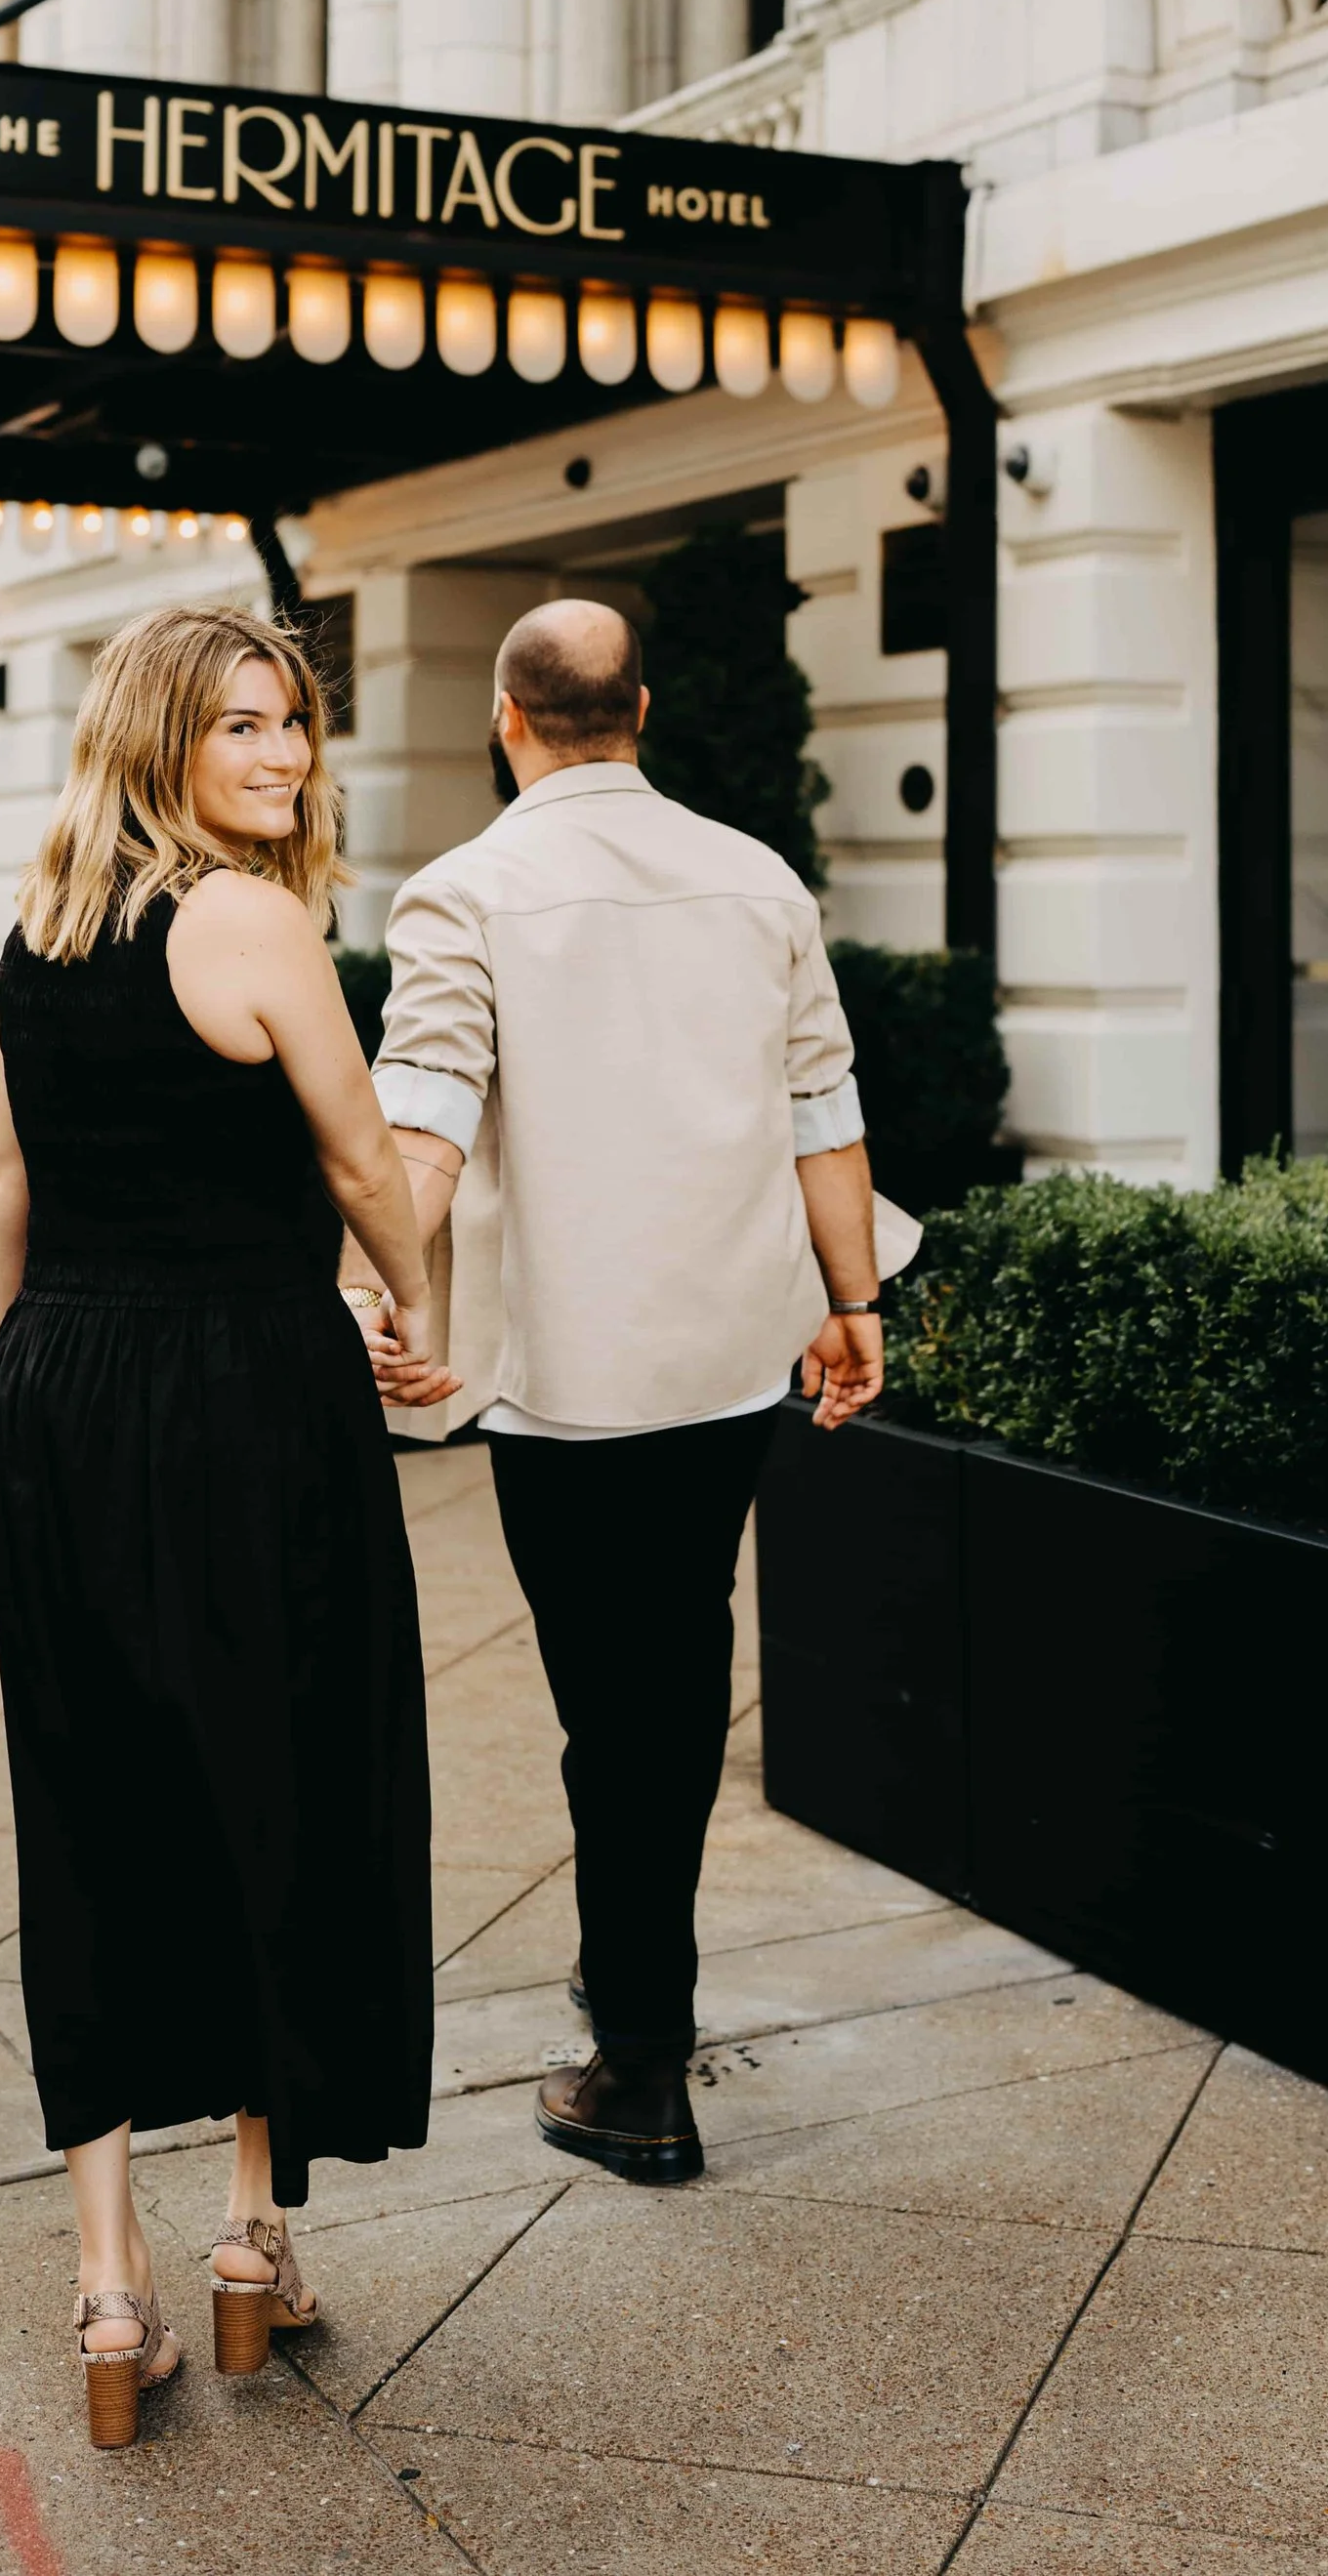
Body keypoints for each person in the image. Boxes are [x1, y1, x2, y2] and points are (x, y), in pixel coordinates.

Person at [0, 602, 454, 2449]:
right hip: (248, 1402)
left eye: (296, 724)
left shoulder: (37, 932)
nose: (283, 757)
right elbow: (355, 1155)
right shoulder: (250, 918)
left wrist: (1, 1403)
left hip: (58, 1396)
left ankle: (115, 2288)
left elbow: (13, 1187)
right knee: (277, 1781)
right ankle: (250, 2244)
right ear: (163, 734)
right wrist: (422, 1309)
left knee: (85, 1812)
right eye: (245, 726)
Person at [354, 598, 885, 2185]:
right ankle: (631, 1989)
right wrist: (853, 1304)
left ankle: (640, 2061)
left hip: (568, 1386)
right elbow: (825, 1112)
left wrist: (371, 1287)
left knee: (616, 1717)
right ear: (640, 708)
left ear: (509, 721)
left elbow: (424, 1130)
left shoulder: (464, 893)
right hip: (728, 1368)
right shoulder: (758, 879)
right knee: (674, 1684)